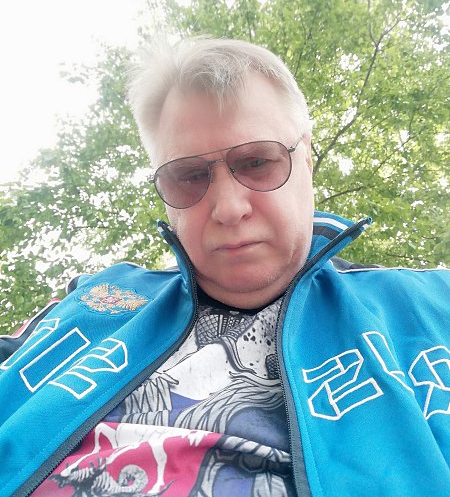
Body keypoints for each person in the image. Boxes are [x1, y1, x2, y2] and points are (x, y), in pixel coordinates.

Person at [1, 38, 448, 497]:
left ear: (307, 161)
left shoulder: (431, 305)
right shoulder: (97, 299)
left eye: (257, 162)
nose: (229, 208)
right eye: (190, 176)